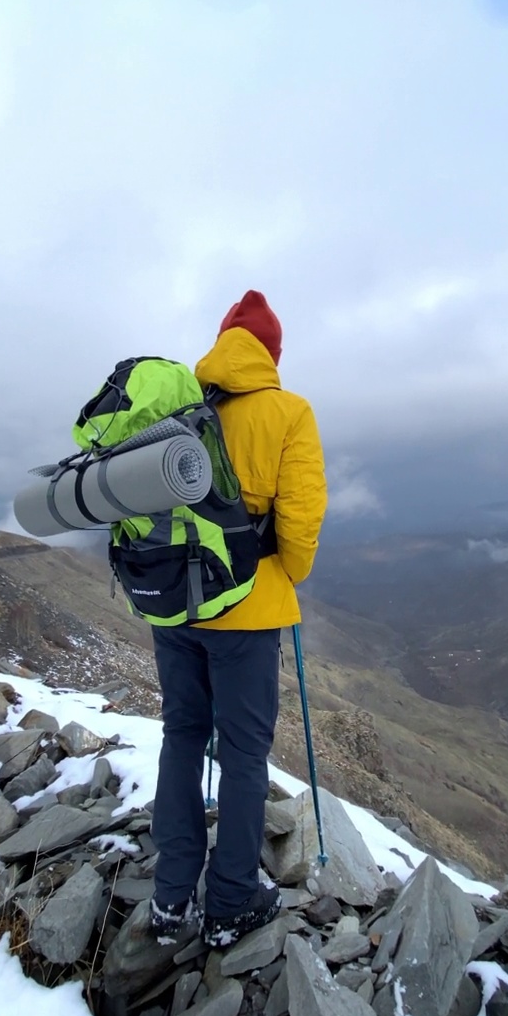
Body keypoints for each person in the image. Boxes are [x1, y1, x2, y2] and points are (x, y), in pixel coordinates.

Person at [149, 290, 327, 947]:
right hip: (247, 613)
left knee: (182, 736)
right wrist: (286, 567)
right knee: (245, 755)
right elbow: (301, 530)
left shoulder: (178, 411)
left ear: (223, 344)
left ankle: (171, 900)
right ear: (271, 354)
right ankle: (230, 903)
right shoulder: (288, 412)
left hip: (172, 608)